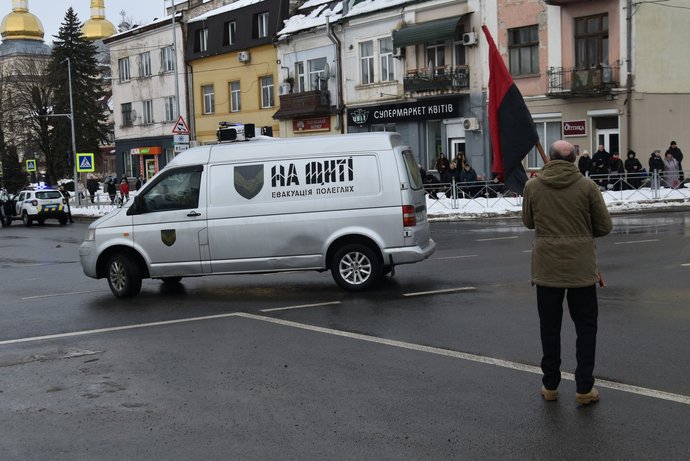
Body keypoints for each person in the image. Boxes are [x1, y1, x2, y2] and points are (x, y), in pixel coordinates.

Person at [522, 140, 612, 405]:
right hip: (581, 269)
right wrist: (581, 230)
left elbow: (528, 222)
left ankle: (550, 385)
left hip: (547, 268)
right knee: (586, 328)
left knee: (549, 328)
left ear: (550, 158)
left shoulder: (533, 186)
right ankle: (584, 388)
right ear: (574, 159)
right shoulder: (587, 186)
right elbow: (604, 226)